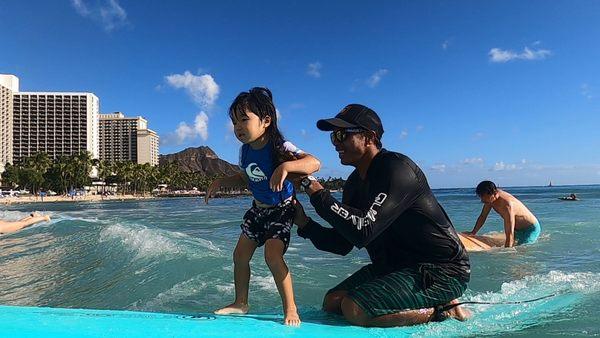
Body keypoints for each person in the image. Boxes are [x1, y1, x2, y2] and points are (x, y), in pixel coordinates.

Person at [292, 104, 471, 327]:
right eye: (333, 137)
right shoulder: (354, 184)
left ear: (369, 137)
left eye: (342, 135)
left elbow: (363, 230)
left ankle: (441, 310)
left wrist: (313, 187)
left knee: (354, 307)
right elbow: (342, 244)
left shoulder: (397, 170)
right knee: (333, 302)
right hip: (394, 267)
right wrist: (304, 223)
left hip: (441, 271)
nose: (336, 143)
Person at [206, 87, 321, 326]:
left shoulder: (281, 146)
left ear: (266, 121)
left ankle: (290, 309)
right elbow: (245, 177)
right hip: (258, 210)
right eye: (234, 122)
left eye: (244, 120)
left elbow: (314, 163)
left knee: (272, 255)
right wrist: (220, 181)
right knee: (239, 255)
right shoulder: (245, 151)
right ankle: (240, 303)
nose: (238, 127)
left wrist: (285, 168)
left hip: (281, 210)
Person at [465, 181, 541, 247]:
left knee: (521, 250)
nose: (482, 200)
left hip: (530, 229)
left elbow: (509, 233)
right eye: (481, 197)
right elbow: (483, 216)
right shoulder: (490, 199)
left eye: (483, 197)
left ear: (492, 193)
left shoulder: (507, 205)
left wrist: (506, 253)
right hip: (517, 230)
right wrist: (473, 232)